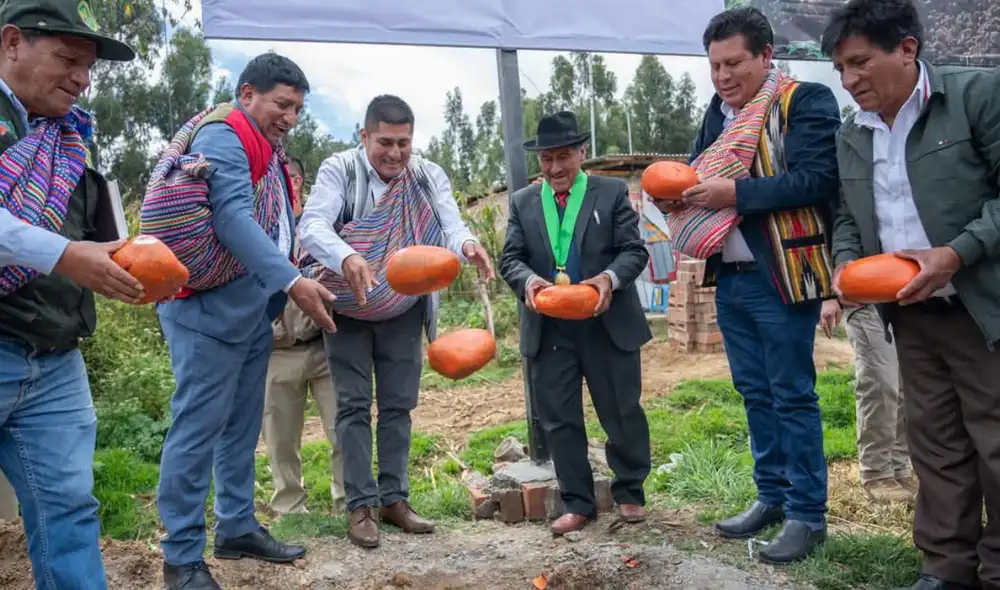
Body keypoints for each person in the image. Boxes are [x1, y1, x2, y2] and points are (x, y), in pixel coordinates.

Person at [653, 6, 841, 563]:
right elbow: (697, 172)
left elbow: (817, 179)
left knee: (792, 394)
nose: (723, 76)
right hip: (729, 276)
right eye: (714, 66)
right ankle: (772, 496)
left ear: (766, 55)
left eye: (734, 63)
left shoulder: (803, 101)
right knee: (755, 394)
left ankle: (808, 514)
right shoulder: (718, 113)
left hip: (782, 273)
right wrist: (676, 195)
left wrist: (733, 194)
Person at [823, 0, 1000, 588]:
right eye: (840, 69)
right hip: (910, 312)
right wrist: (847, 264)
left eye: (859, 63)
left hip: (981, 306)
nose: (849, 81)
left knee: (995, 441)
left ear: (907, 49)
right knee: (936, 445)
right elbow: (849, 214)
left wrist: (956, 253)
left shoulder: (976, 97)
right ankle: (947, 568)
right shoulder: (854, 132)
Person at [144, 54, 336, 590]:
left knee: (240, 427)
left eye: (298, 108)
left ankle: (236, 526)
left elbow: (271, 220)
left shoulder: (265, 146)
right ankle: (181, 556)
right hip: (206, 309)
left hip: (249, 307)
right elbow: (231, 215)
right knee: (197, 430)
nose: (290, 118)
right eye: (282, 104)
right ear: (248, 93)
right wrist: (293, 282)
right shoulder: (227, 135)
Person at [298, 94, 494, 549]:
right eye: (385, 142)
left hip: (403, 309)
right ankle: (359, 506)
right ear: (364, 136)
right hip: (346, 307)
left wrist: (466, 245)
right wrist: (348, 256)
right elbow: (312, 227)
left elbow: (450, 222)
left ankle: (394, 500)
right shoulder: (339, 171)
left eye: (403, 143)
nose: (395, 153)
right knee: (351, 408)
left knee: (398, 407)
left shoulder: (426, 176)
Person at [0, 0, 146, 587]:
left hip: (54, 357)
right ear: (11, 43)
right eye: (68, 58)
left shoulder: (69, 142)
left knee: (68, 510)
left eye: (88, 66)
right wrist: (65, 256)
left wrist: (132, 267)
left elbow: (96, 237)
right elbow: (58, 247)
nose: (82, 79)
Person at [499, 110, 653, 535]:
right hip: (550, 327)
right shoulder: (523, 202)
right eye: (546, 159)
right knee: (560, 419)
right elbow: (510, 259)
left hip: (605, 321)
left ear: (581, 153)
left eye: (563, 157)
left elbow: (633, 251)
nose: (555, 168)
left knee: (620, 410)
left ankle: (629, 492)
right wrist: (529, 282)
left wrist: (608, 279)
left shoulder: (610, 192)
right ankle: (577, 502)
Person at [262, 156, 346, 516]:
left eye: (295, 177)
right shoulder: (261, 227)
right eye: (284, 178)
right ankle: (289, 506)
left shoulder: (323, 226)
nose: (290, 183)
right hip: (277, 349)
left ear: (303, 182)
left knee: (343, 427)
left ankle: (349, 500)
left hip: (325, 343)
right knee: (279, 436)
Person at [820, 299, 913, 504]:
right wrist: (828, 296)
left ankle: (898, 469)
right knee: (881, 384)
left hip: (902, 299)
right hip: (864, 299)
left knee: (905, 386)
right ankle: (876, 473)